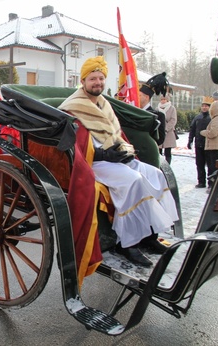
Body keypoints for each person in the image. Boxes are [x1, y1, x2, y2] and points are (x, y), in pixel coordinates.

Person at [58, 56, 178, 269]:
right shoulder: (73, 106)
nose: (98, 82)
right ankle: (128, 243)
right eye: (93, 78)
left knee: (155, 174)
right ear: (84, 81)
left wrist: (123, 151)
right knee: (133, 181)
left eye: (101, 78)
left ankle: (149, 235)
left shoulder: (104, 103)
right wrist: (104, 156)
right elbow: (75, 145)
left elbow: (115, 134)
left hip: (113, 157)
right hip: (92, 163)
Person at [200, 101, 218, 189]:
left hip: (214, 147)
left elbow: (213, 133)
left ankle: (212, 186)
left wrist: (203, 132)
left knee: (212, 167)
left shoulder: (217, 119)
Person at [187, 97, 214, 188]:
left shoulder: (212, 118)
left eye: (206, 106)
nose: (204, 107)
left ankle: (211, 182)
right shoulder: (197, 117)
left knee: (210, 165)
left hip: (209, 144)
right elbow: (192, 130)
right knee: (199, 164)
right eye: (203, 106)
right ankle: (201, 181)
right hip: (198, 144)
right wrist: (190, 140)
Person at [139, 73, 168, 146]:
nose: (137, 97)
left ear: (146, 97)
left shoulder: (158, 115)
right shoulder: (134, 111)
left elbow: (160, 139)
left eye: (139, 95)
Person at [157, 93, 178, 164]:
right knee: (158, 151)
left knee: (167, 151)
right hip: (159, 132)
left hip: (168, 132)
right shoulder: (158, 108)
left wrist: (166, 128)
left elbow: (173, 120)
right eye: (162, 99)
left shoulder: (172, 108)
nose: (163, 101)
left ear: (167, 100)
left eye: (164, 99)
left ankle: (167, 166)